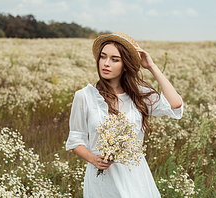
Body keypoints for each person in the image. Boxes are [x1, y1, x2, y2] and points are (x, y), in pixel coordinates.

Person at [65, 32, 183, 198]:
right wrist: (93, 159)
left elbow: (175, 104)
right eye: (103, 57)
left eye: (115, 59)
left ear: (125, 65)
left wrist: (152, 67)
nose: (106, 63)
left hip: (134, 175)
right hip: (102, 180)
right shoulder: (84, 95)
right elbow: (75, 138)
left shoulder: (139, 95)